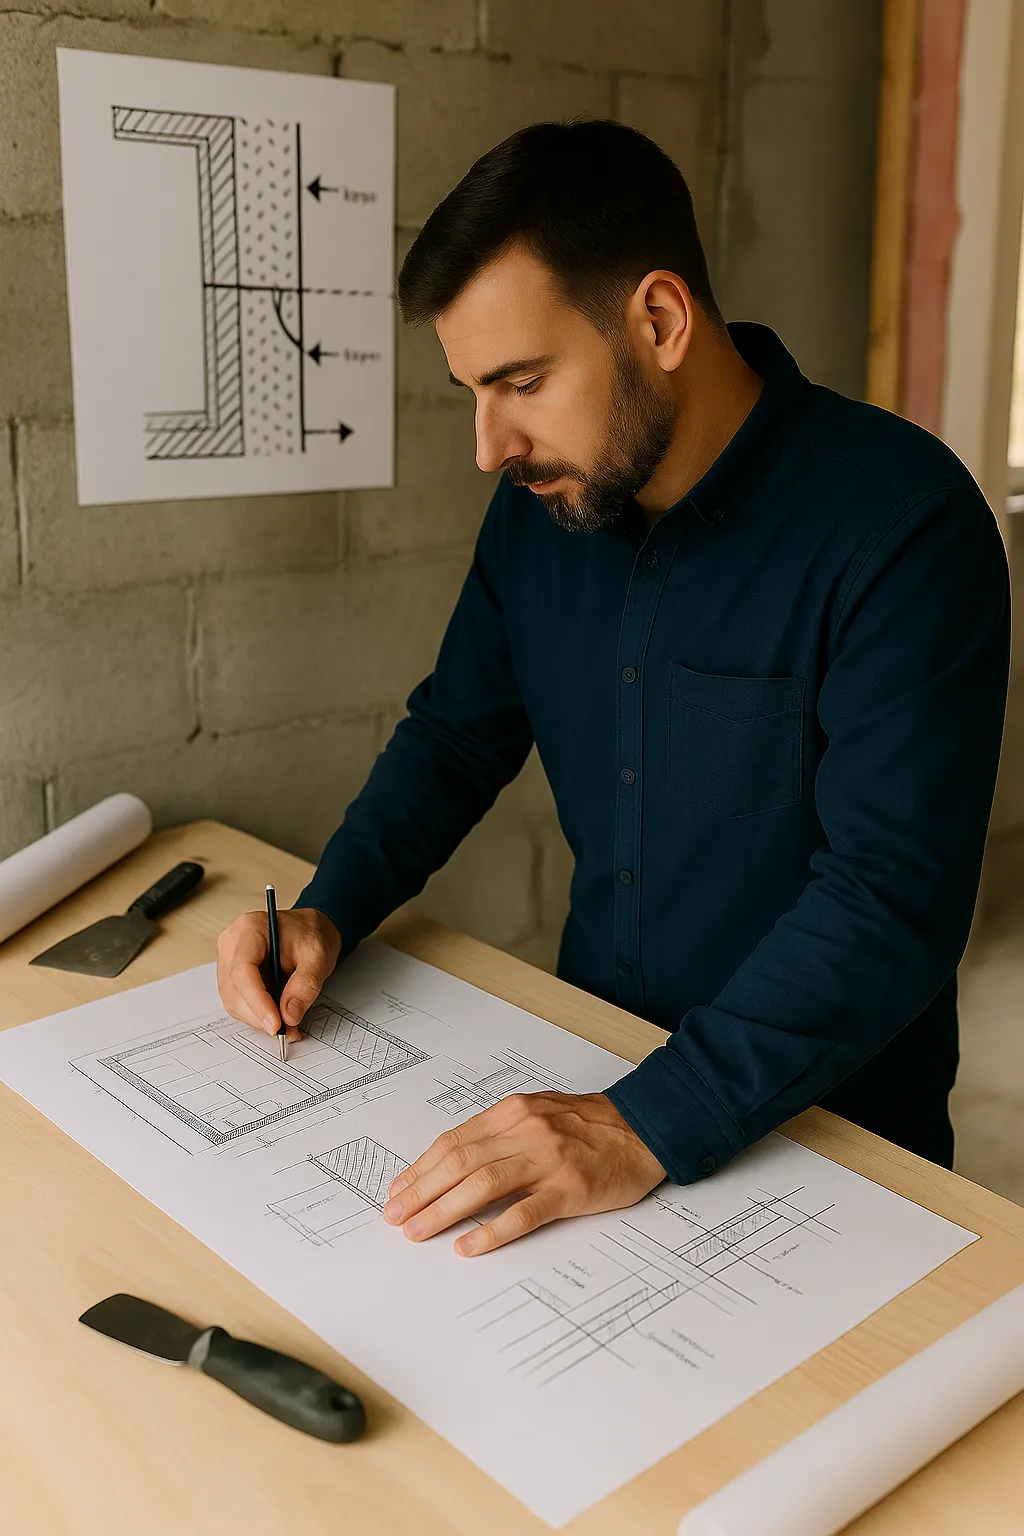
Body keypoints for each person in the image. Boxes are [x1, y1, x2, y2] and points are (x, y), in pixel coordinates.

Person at [217, 120, 1009, 1259]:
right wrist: (328, 908)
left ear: (660, 319)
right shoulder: (541, 510)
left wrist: (643, 1123)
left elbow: (892, 900)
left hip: (834, 1144)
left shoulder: (902, 528)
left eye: (522, 382)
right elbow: (453, 738)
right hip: (593, 1090)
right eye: (471, 392)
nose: (489, 445)